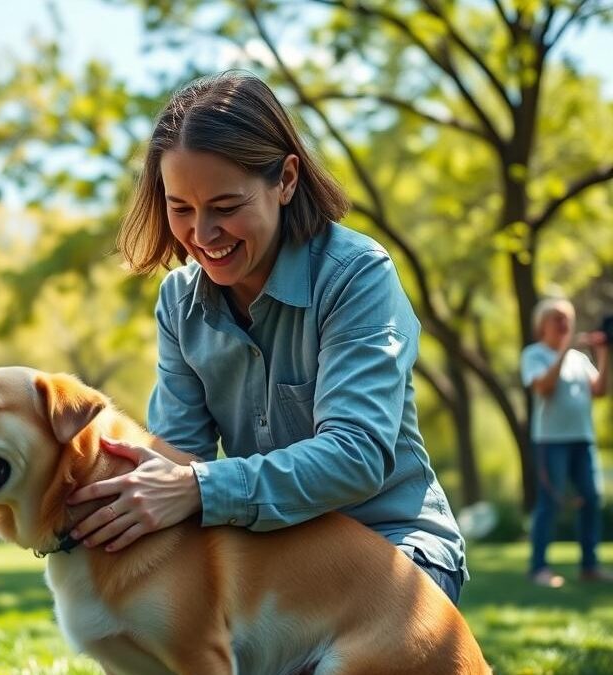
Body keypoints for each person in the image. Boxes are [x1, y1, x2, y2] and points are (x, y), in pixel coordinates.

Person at [67, 72, 468, 605]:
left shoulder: (357, 275)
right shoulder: (178, 302)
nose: (202, 236)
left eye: (226, 207)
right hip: (268, 559)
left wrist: (201, 488)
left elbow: (355, 457)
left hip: (395, 550)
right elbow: (176, 460)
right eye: (180, 208)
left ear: (285, 180)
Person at [520, 298, 609, 587]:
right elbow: (544, 388)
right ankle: (539, 568)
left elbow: (599, 391)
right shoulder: (534, 355)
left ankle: (589, 565)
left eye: (568, 318)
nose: (564, 323)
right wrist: (564, 352)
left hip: (582, 439)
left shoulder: (580, 360)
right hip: (550, 441)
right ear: (541, 324)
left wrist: (603, 352)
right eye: (557, 318)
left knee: (591, 498)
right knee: (549, 503)